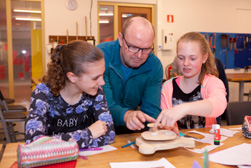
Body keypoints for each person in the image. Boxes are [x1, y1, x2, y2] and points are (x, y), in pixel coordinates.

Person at [25, 40, 115, 148]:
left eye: (102, 75)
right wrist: (89, 134)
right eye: (95, 78)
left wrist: (55, 143)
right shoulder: (42, 94)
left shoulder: (96, 91)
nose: (102, 83)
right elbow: (33, 143)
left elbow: (109, 135)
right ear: (72, 77)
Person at [97, 16, 163, 134]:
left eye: (146, 49)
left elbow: (151, 110)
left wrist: (157, 130)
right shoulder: (101, 56)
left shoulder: (154, 65)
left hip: (131, 131)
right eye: (133, 47)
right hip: (98, 128)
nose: (139, 55)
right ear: (121, 39)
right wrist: (126, 115)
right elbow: (104, 106)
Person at [153, 32, 227, 134]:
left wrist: (183, 109)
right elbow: (164, 124)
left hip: (206, 147)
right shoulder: (167, 87)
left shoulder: (213, 83)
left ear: (204, 58)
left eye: (192, 58)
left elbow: (219, 105)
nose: (186, 63)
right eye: (181, 58)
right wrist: (168, 129)